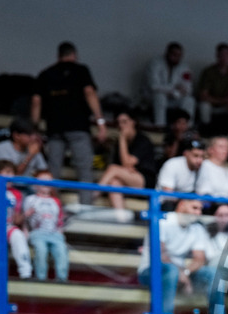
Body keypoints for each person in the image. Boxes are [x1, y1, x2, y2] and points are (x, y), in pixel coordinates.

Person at [30, 41, 107, 205]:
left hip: (54, 129)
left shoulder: (46, 74)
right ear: (74, 55)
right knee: (84, 171)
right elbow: (89, 92)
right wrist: (100, 121)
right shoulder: (81, 70)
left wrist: (34, 129)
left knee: (53, 171)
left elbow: (36, 102)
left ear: (58, 56)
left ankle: (51, 206)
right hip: (78, 127)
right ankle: (85, 209)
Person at [97, 109, 157, 210]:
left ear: (133, 122)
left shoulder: (142, 140)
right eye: (119, 123)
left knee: (113, 169)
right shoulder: (118, 145)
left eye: (124, 122)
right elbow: (124, 166)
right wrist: (126, 170)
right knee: (114, 182)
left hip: (146, 182)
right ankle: (122, 219)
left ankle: (91, 197)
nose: (121, 125)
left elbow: (126, 163)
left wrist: (122, 139)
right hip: (127, 179)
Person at [144, 42, 195, 128]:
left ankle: (187, 127)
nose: (176, 58)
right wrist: (173, 89)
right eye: (174, 54)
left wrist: (175, 93)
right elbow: (153, 86)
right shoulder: (155, 64)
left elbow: (188, 88)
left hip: (175, 97)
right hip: (153, 97)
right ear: (167, 53)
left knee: (189, 100)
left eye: (179, 55)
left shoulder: (184, 67)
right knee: (160, 97)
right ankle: (160, 126)